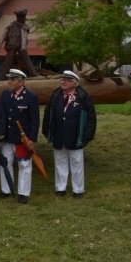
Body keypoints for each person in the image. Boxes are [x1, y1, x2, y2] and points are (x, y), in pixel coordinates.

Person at [42, 70, 96, 199]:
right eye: (62, 80)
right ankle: (61, 188)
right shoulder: (56, 96)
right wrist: (47, 131)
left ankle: (78, 190)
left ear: (74, 83)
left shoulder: (83, 97)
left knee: (76, 163)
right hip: (59, 135)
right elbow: (47, 114)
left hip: (76, 136)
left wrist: (87, 136)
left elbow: (91, 118)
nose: (63, 82)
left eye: (67, 80)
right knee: (60, 163)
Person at [0, 69, 40, 204]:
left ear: (21, 81)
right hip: (7, 137)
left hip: (22, 139)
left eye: (13, 79)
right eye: (9, 79)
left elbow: (35, 121)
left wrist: (32, 139)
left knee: (24, 165)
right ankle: (6, 189)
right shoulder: (5, 95)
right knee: (5, 164)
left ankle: (23, 192)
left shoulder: (30, 97)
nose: (10, 81)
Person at [0, 7, 38, 80]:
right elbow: (3, 37)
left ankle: (35, 77)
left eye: (23, 17)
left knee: (28, 63)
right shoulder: (11, 26)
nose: (22, 19)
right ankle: (0, 79)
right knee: (7, 63)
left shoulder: (24, 27)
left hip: (21, 48)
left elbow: (24, 38)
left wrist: (23, 47)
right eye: (21, 17)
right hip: (12, 46)